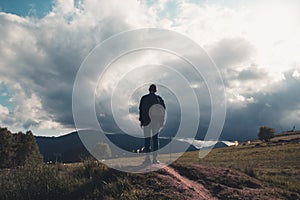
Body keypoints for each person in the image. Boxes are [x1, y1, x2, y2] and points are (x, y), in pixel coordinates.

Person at [139, 84, 166, 165]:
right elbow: (163, 111)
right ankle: (155, 159)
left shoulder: (144, 98)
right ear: (156, 90)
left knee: (147, 140)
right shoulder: (159, 99)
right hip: (156, 122)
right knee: (155, 139)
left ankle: (147, 158)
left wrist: (141, 120)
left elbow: (141, 110)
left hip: (146, 122)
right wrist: (161, 122)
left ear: (149, 89)